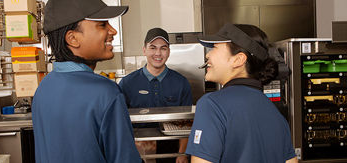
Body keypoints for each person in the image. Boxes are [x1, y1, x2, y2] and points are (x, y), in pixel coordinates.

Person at [31, 0, 142, 162]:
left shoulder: (44, 88)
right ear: (73, 38)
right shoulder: (106, 92)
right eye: (102, 25)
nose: (113, 31)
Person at [185, 23, 298, 163]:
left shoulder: (211, 105)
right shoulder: (276, 114)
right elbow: (292, 161)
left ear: (238, 60)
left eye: (215, 47)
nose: (208, 54)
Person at [119, 28, 192, 163]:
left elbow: (187, 124)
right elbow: (120, 123)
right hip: (138, 150)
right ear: (144, 50)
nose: (158, 53)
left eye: (163, 48)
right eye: (153, 48)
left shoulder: (181, 83)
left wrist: (182, 154)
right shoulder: (127, 83)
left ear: (168, 52)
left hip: (172, 151)